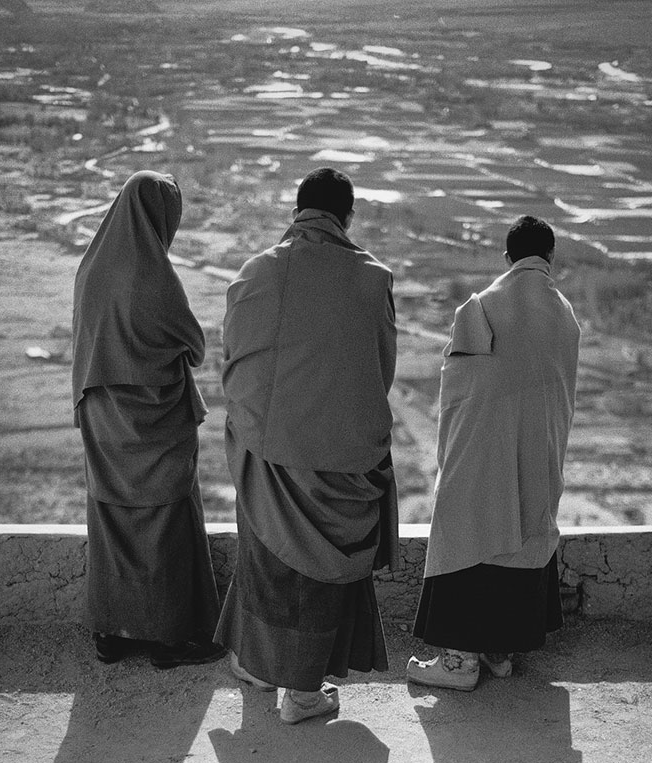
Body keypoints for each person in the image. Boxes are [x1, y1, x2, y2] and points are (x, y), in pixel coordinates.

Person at [215, 167, 399, 723]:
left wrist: (261, 429)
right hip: (343, 455)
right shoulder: (373, 279)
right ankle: (302, 692)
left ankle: (257, 663)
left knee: (269, 560)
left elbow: (235, 362)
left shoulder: (255, 273)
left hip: (268, 453)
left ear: (297, 212)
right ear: (347, 217)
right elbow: (379, 370)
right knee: (323, 576)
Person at [408, 214, 580, 690]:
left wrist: (453, 451)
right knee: (524, 534)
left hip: (484, 451)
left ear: (508, 258)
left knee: (465, 525)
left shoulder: (481, 308)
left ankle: (460, 660)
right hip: (540, 453)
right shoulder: (566, 314)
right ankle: (500, 652)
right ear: (549, 258)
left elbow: (458, 391)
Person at [72, 170, 223, 668]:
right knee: (166, 519)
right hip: (154, 421)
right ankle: (170, 640)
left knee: (111, 516)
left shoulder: (90, 268)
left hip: (102, 416)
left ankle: (111, 633)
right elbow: (195, 347)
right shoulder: (155, 275)